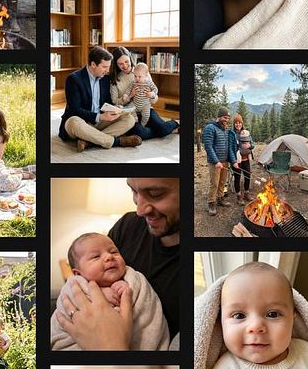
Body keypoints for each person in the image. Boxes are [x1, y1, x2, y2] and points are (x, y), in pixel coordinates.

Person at [56, 178, 179, 347]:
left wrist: (110, 346)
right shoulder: (128, 225)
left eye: (155, 193)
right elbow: (76, 292)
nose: (139, 211)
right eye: (134, 191)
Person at [198, 263, 308, 369]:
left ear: (293, 318)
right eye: (239, 315)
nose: (255, 327)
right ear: (219, 322)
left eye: (273, 314)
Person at [51, 232, 169, 351]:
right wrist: (100, 293)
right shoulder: (76, 284)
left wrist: (125, 288)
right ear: (78, 273)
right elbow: (68, 302)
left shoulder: (133, 279)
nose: (109, 257)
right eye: (96, 256)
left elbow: (144, 306)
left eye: (114, 252)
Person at [59, 46, 142, 152]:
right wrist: (99, 117)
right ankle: (117, 141)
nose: (107, 70)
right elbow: (75, 110)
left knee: (129, 119)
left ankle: (89, 141)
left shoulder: (105, 79)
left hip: (99, 123)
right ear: (93, 64)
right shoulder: (74, 79)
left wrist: (114, 108)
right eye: (104, 67)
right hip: (81, 122)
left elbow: (106, 102)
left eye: (109, 67)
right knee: (73, 121)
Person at [110, 46, 179, 140]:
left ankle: (176, 122)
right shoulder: (114, 80)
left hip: (146, 108)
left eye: (126, 61)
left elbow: (154, 99)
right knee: (141, 133)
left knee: (163, 129)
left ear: (130, 58)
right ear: (115, 64)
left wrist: (151, 95)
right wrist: (130, 96)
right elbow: (115, 102)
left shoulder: (142, 71)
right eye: (120, 64)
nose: (125, 66)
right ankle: (166, 130)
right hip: (130, 113)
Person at [203, 107, 239, 215]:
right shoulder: (210, 128)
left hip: (225, 161)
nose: (226, 120)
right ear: (219, 117)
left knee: (222, 182)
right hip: (215, 162)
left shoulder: (226, 130)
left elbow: (229, 148)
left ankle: (220, 198)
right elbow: (208, 147)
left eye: (228, 118)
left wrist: (234, 161)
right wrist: (216, 161)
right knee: (214, 183)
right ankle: (211, 203)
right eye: (224, 117)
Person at [232, 113, 254, 202]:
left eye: (239, 123)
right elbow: (230, 147)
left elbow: (252, 144)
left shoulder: (246, 133)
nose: (238, 125)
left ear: (242, 123)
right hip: (236, 160)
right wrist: (233, 160)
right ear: (234, 124)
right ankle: (238, 196)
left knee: (247, 176)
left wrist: (250, 146)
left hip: (246, 159)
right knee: (237, 177)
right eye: (236, 123)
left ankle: (246, 194)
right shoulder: (232, 134)